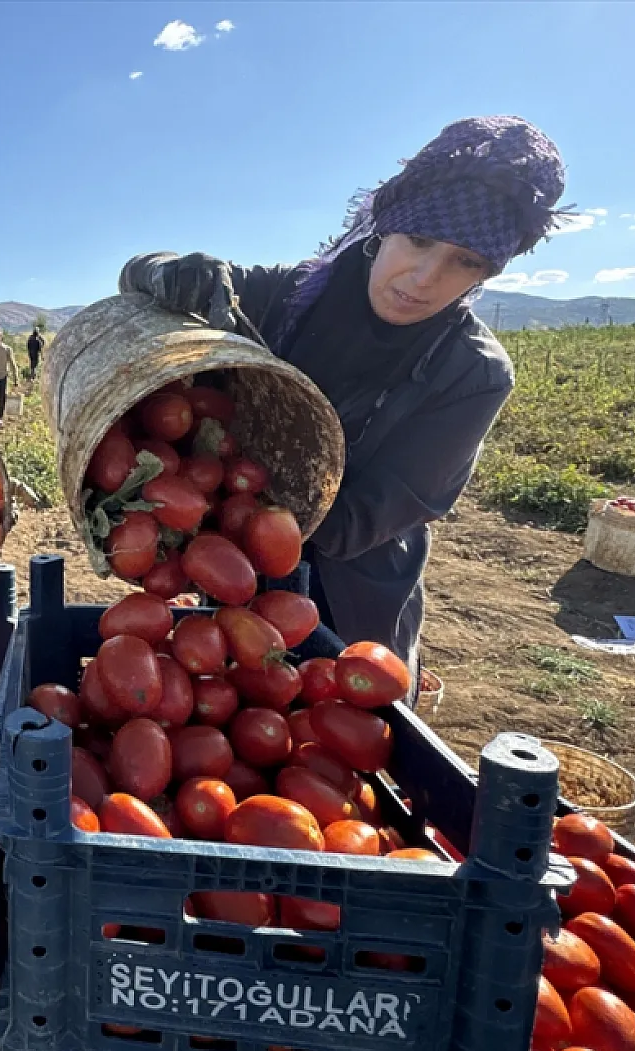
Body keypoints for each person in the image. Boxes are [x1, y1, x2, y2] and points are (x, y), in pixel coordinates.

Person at [120, 116, 567, 675]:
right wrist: (168, 270)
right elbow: (138, 272)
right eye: (419, 240)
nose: (425, 277)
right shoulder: (293, 293)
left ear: (487, 272)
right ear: (384, 228)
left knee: (345, 729)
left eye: (466, 261)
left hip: (351, 602)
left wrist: (216, 511)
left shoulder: (471, 372)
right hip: (236, 577)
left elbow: (362, 520)